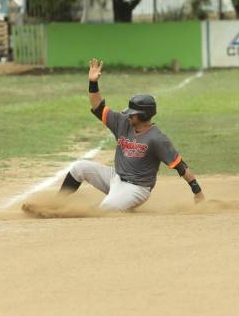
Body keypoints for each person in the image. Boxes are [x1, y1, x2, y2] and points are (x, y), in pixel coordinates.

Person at [41, 58, 205, 212]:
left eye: (133, 113)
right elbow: (98, 107)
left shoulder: (157, 138)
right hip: (115, 177)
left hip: (137, 189)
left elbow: (180, 166)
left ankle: (70, 213)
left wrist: (197, 191)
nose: (129, 115)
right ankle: (56, 204)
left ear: (143, 115)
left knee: (104, 209)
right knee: (80, 168)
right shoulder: (123, 122)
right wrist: (93, 82)